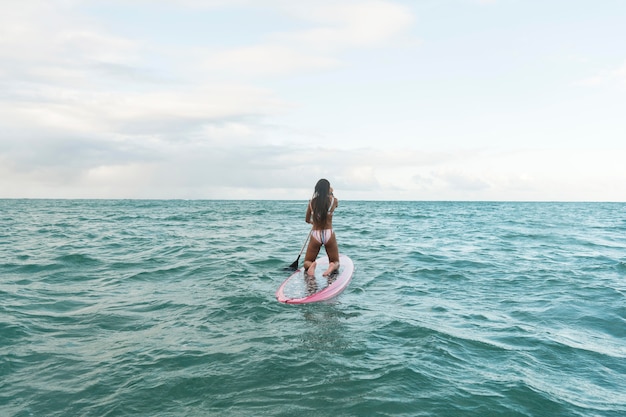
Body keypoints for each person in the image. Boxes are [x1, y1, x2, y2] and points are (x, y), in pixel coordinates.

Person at [304, 179, 340, 277]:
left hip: (316, 234)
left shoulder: (312, 203)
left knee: (307, 261)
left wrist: (314, 223)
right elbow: (336, 205)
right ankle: (332, 266)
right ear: (328, 189)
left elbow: (307, 220)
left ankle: (312, 265)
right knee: (335, 261)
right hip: (329, 233)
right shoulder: (333, 200)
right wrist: (331, 192)